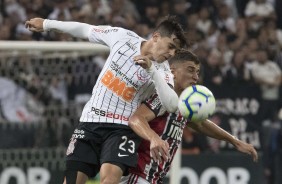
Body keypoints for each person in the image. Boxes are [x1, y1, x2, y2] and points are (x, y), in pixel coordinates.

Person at [25, 16, 187, 184]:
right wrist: (46, 24)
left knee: (109, 180)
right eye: (171, 46)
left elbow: (172, 104)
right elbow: (86, 29)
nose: (172, 54)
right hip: (90, 121)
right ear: (156, 37)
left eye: (176, 51)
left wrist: (151, 70)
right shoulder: (123, 37)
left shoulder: (163, 72)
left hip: (122, 129)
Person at [120, 49, 258, 184]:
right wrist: (154, 138)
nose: (196, 77)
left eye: (197, 72)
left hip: (151, 177)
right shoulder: (163, 96)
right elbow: (136, 119)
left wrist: (235, 141)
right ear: (172, 72)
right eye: (190, 70)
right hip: (137, 175)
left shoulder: (183, 103)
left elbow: (200, 124)